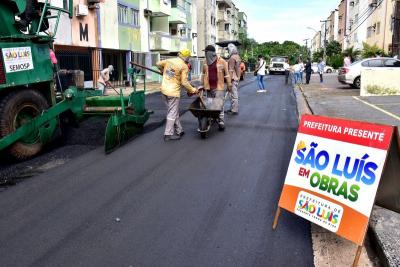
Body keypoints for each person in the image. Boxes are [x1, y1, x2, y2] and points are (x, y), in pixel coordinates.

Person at [156, 49, 199, 141]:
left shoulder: (169, 60)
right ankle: (168, 134)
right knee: (172, 112)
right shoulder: (184, 66)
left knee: (173, 111)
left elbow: (158, 64)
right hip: (173, 93)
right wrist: (193, 90)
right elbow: (184, 82)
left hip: (164, 90)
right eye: (189, 57)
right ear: (187, 57)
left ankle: (179, 130)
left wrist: (163, 71)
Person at [201, 45, 232, 130]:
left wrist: (229, 84)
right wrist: (202, 85)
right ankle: (211, 118)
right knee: (210, 104)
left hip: (219, 88)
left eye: (206, 52)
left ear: (210, 53)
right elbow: (203, 74)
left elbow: (227, 74)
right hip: (208, 87)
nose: (205, 54)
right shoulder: (205, 62)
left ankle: (221, 121)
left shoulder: (222, 61)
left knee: (219, 105)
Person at [227, 43, 241, 115]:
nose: (227, 51)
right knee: (233, 94)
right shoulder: (237, 57)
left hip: (232, 78)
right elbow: (239, 68)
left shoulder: (232, 58)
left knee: (233, 95)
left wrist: (229, 82)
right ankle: (233, 108)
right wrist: (238, 77)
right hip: (236, 78)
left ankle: (234, 110)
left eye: (228, 50)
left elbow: (231, 70)